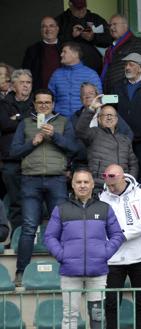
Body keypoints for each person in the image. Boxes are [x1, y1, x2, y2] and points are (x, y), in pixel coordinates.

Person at [10, 88, 78, 286]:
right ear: (34, 104)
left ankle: (66, 269)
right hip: (30, 179)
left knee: (61, 226)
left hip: (57, 179)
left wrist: (55, 136)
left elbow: (75, 148)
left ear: (53, 104)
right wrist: (34, 141)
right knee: (29, 226)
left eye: (47, 103)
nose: (43, 106)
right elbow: (13, 152)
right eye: (40, 103)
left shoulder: (64, 122)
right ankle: (21, 272)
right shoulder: (25, 123)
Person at [44, 168, 125, 329]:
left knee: (97, 318)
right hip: (69, 273)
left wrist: (104, 254)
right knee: (69, 317)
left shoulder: (104, 208)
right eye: (78, 182)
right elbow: (49, 237)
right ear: (72, 185)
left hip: (98, 273)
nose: (82, 185)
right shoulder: (61, 209)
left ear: (93, 184)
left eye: (86, 182)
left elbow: (117, 235)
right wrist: (63, 255)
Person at [99, 164, 141, 329]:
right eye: (108, 185)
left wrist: (122, 235)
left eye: (114, 185)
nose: (111, 188)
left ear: (122, 178)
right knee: (111, 303)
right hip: (113, 259)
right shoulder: (102, 196)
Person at [110, 52, 141, 178]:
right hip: (122, 137)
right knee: (123, 169)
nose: (127, 67)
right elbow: (111, 108)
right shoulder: (118, 86)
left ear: (140, 68)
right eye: (126, 64)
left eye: (131, 64)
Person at [75, 99, 138, 190]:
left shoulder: (125, 139)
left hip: (121, 187)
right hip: (100, 185)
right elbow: (80, 130)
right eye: (105, 115)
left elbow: (133, 164)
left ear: (117, 119)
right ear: (99, 119)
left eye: (112, 115)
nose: (109, 117)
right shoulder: (93, 133)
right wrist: (91, 109)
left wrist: (129, 181)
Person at [0, 69, 34, 233]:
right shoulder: (4, 103)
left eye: (28, 82)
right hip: (10, 160)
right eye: (22, 82)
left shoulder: (37, 103)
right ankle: (15, 238)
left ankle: (32, 238)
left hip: (32, 159)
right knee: (15, 202)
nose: (26, 86)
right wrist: (24, 119)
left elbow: (37, 124)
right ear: (13, 85)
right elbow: (4, 124)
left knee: (33, 201)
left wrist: (17, 118)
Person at [55, 0, 112, 74]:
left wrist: (93, 37)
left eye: (83, 8)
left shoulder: (96, 19)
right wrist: (71, 35)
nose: (81, 11)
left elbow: (109, 39)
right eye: (78, 8)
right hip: (67, 71)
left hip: (93, 69)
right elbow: (52, 44)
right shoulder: (60, 20)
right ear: (70, 4)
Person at [48, 42, 102, 117]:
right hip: (60, 119)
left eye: (64, 52)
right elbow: (49, 98)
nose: (61, 55)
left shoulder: (91, 74)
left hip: (84, 118)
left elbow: (98, 99)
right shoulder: (56, 74)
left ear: (75, 54)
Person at [101, 14, 141, 93]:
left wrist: (130, 91)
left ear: (125, 26)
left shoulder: (137, 43)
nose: (112, 28)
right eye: (110, 25)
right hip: (110, 91)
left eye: (115, 24)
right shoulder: (111, 48)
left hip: (125, 92)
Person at [22, 16, 61, 91]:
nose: (48, 29)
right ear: (41, 30)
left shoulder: (66, 47)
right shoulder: (32, 50)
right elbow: (25, 73)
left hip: (63, 92)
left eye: (51, 26)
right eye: (44, 27)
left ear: (57, 29)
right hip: (40, 94)